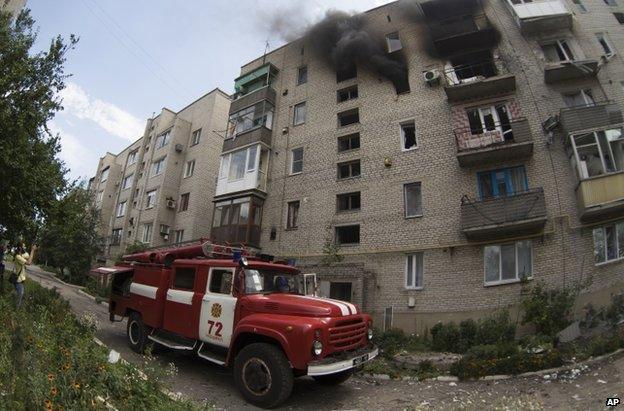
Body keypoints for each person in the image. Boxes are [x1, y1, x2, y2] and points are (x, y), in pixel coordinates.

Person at [13, 243, 35, 308]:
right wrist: (32, 250)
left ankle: (16, 306)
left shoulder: (22, 255)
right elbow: (29, 263)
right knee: (20, 294)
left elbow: (29, 257)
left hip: (21, 279)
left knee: (19, 294)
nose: (25, 247)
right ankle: (16, 309)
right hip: (18, 279)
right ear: (20, 248)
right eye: (24, 246)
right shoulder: (18, 257)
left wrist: (33, 250)